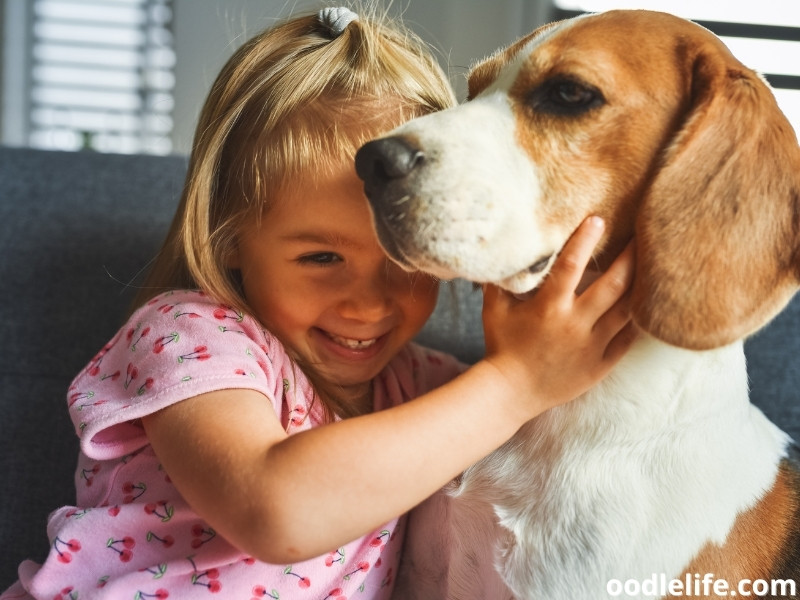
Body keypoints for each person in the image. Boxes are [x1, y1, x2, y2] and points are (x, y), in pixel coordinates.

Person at [1, 6, 636, 599]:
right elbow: (275, 509)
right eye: (322, 258)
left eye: (402, 259)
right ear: (230, 240)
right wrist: (514, 384)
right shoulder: (188, 336)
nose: (368, 304)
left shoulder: (421, 386)